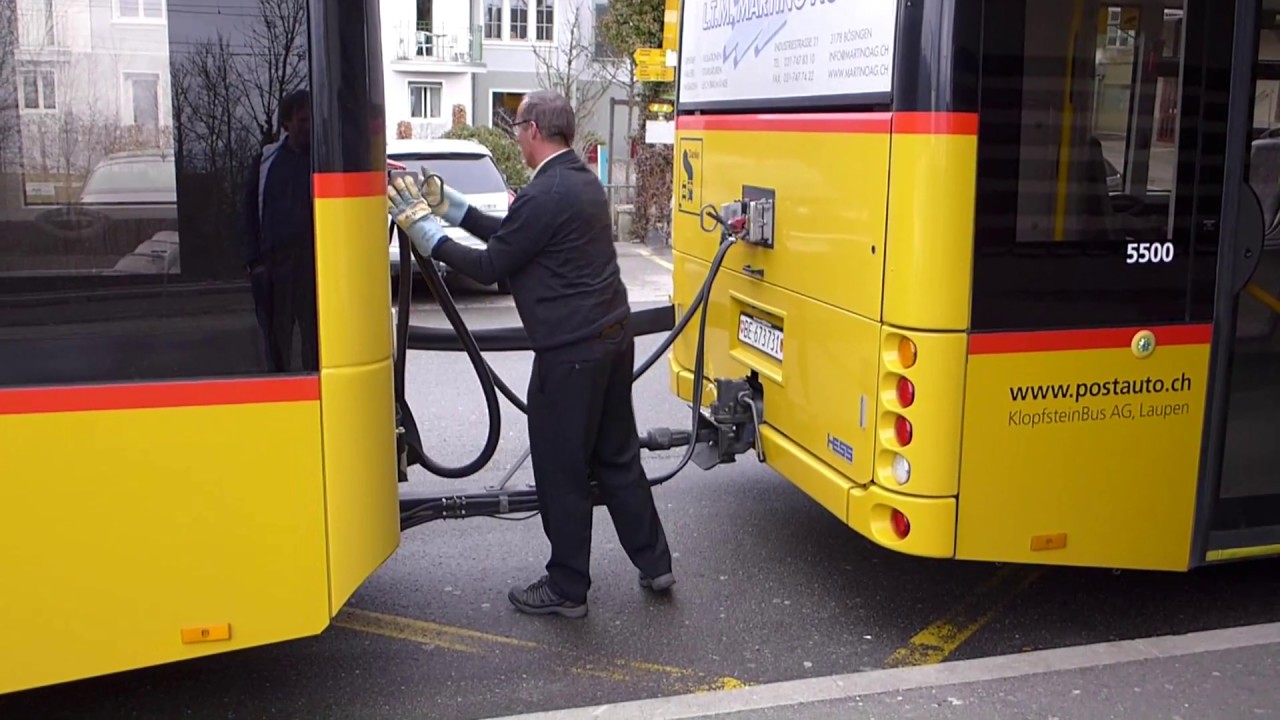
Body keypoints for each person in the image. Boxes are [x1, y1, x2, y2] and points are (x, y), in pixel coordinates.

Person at [386, 89, 675, 618]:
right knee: (617, 456)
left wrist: (424, 230)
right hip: (611, 341)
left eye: (517, 127)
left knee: (561, 470)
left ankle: (567, 587)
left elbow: (490, 265)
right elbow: (515, 236)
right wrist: (449, 205)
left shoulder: (546, 192)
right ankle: (656, 563)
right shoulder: (578, 181)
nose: (516, 136)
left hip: (570, 356)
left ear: (534, 130)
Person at [240, 88, 318, 373]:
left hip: (311, 267)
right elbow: (248, 210)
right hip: (274, 267)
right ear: (286, 123)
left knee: (314, 338)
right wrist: (254, 262)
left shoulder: (322, 161)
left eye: (311, 120)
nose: (308, 127)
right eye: (302, 120)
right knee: (276, 339)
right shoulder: (266, 161)